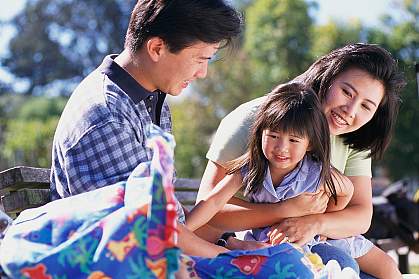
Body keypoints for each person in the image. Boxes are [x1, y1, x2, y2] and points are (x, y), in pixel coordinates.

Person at [50, 0, 245, 257]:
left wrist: (229, 243)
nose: (203, 73)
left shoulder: (149, 99)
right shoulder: (108, 115)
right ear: (156, 48)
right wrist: (232, 261)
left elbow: (169, 217)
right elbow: (144, 232)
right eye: (200, 59)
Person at [197, 43, 405, 278]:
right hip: (248, 241)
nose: (350, 110)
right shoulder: (261, 121)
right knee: (341, 263)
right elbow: (208, 209)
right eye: (347, 92)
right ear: (327, 78)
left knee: (384, 269)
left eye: (367, 106)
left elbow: (361, 214)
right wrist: (284, 211)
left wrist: (316, 223)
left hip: (314, 238)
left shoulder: (354, 138)